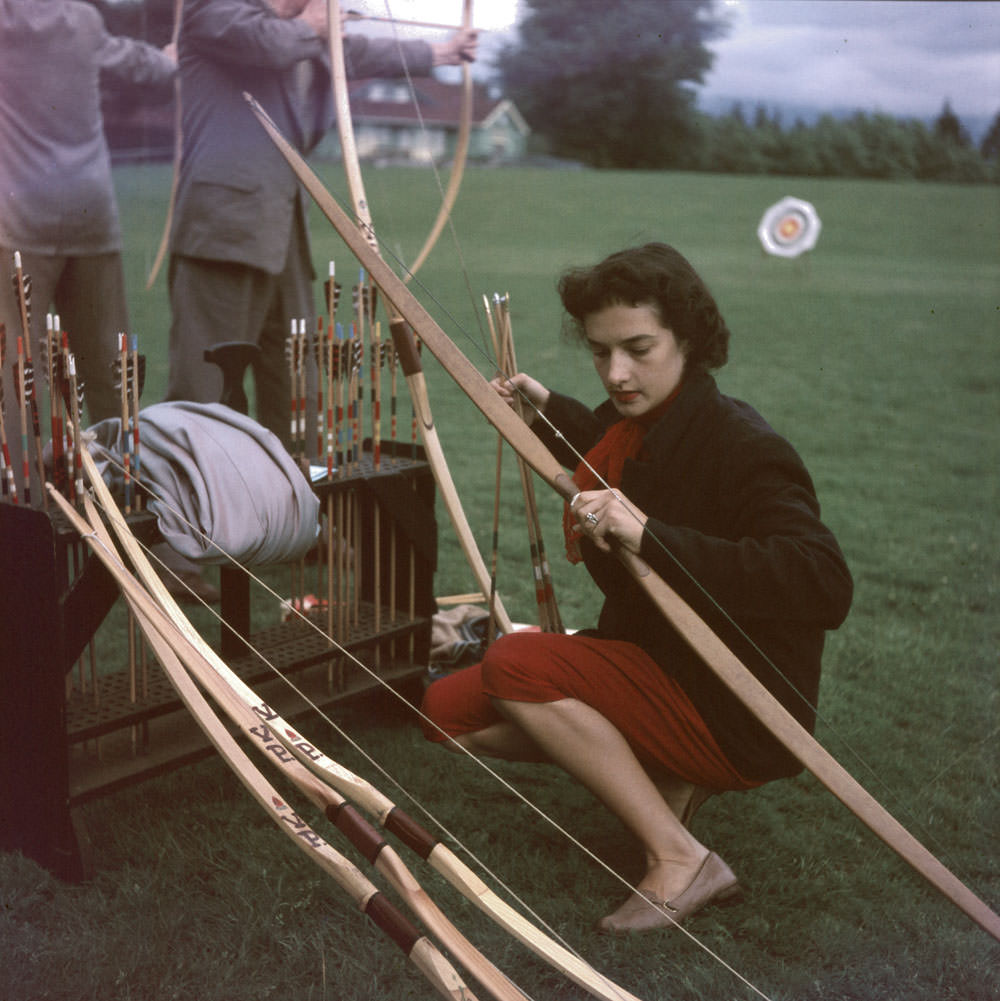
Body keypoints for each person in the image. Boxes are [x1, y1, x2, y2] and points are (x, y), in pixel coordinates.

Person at [421, 243, 853, 933]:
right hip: (655, 664)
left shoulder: (745, 446)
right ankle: (662, 768)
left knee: (513, 663)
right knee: (447, 710)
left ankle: (682, 857)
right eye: (600, 352)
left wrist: (651, 536)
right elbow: (616, 448)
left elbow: (823, 581)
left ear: (687, 337)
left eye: (638, 348)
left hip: (735, 703)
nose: (617, 372)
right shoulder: (640, 422)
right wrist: (547, 410)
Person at [165, 0, 477, 451]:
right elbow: (266, 44)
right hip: (223, 233)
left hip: (284, 234)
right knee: (205, 386)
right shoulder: (217, 11)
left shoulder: (301, 33)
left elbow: (356, 51)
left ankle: (296, 500)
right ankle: (193, 504)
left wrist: (441, 52)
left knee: (298, 389)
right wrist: (314, 24)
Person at [0, 0, 175, 502]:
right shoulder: (82, 20)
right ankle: (126, 496)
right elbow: (133, 61)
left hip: (20, 221)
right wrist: (169, 58)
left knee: (19, 371)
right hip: (89, 213)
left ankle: (25, 506)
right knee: (105, 369)